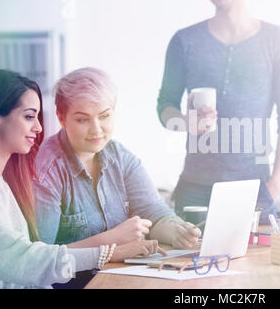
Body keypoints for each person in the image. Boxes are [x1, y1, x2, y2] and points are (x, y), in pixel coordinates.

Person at [33, 67, 200, 288]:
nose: (96, 130)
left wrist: (177, 230)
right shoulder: (47, 171)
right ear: (61, 118)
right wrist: (113, 241)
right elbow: (41, 257)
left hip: (117, 279)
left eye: (104, 116)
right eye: (83, 120)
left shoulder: (120, 157)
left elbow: (154, 212)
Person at [0, 70, 163, 289]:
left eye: (104, 115)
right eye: (29, 116)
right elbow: (28, 259)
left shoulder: (5, 183)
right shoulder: (43, 170)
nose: (38, 127)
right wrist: (109, 250)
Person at [157, 0, 280, 224]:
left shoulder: (276, 40)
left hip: (255, 189)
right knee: (190, 260)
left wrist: (276, 182)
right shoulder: (184, 40)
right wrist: (185, 123)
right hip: (195, 188)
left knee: (257, 261)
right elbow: (165, 104)